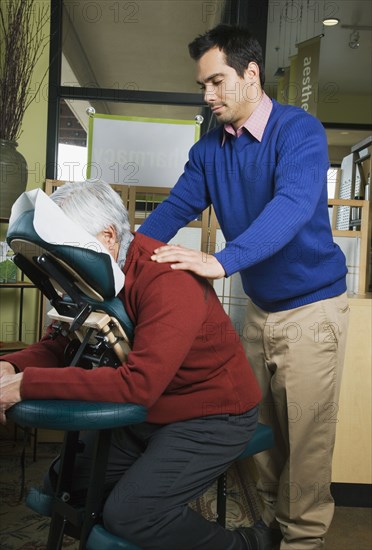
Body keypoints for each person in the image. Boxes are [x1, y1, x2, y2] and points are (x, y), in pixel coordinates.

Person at [137, 24, 350, 550]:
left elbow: (294, 206)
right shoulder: (210, 151)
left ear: (251, 75)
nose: (207, 96)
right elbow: (172, 211)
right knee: (256, 439)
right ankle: (275, 533)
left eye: (216, 82)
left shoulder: (300, 131)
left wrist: (221, 260)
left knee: (306, 445)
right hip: (259, 311)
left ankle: (302, 541)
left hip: (313, 311)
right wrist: (126, 258)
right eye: (202, 86)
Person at [0, 179, 265, 550]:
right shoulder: (91, 276)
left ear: (107, 237)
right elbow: (60, 344)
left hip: (212, 413)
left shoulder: (167, 280)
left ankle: (246, 545)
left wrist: (27, 384)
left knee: (133, 516)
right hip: (153, 411)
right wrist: (10, 368)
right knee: (64, 485)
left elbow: (138, 386)